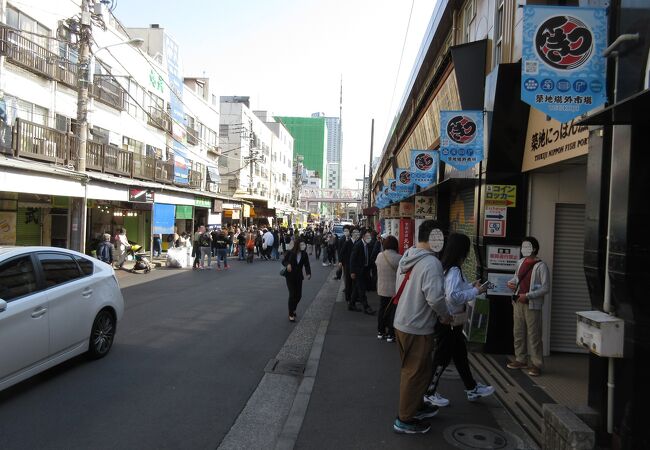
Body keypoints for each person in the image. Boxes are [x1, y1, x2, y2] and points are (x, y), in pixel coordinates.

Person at [392, 220, 451, 435]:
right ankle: (405, 419)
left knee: (419, 370)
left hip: (402, 321)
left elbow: (398, 286)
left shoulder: (409, 255)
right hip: (417, 326)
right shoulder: (431, 263)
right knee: (414, 373)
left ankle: (416, 406)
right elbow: (435, 298)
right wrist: (445, 315)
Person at [425, 233, 495, 408]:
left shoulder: (446, 267)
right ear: (461, 251)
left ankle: (471, 387)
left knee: (460, 356)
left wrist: (472, 286)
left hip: (451, 323)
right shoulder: (454, 270)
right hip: (448, 321)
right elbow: (453, 296)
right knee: (442, 358)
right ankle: (428, 392)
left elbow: (455, 289)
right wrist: (475, 292)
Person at [506, 236, 550, 377]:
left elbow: (545, 288)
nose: (524, 249)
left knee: (534, 335)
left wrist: (528, 295)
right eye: (523, 246)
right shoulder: (520, 262)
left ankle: (537, 364)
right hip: (518, 302)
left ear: (534, 249)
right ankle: (521, 359)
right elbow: (516, 278)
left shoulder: (541, 266)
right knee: (518, 332)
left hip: (532, 304)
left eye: (527, 246)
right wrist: (510, 283)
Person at [375, 235, 401, 342]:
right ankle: (391, 334)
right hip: (394, 290)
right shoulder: (399, 258)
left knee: (382, 310)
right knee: (392, 312)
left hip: (382, 288)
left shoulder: (380, 256)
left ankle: (381, 332)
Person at [282, 237, 311, 322]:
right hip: (290, 276)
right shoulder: (291, 253)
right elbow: (284, 261)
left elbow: (307, 264)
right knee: (292, 295)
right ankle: (291, 314)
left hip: (299, 277)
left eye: (304, 244)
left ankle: (293, 308)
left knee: (299, 295)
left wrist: (308, 273)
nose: (303, 246)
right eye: (301, 244)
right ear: (297, 245)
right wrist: (288, 265)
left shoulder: (304, 254)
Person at [349, 229, 377, 315]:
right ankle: (366, 307)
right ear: (363, 236)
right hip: (358, 271)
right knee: (361, 289)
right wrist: (352, 272)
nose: (369, 238)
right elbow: (352, 259)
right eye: (367, 236)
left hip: (365, 270)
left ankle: (351, 304)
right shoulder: (358, 245)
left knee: (357, 288)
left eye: (370, 237)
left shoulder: (368, 245)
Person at [338, 226, 354, 304]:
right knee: (347, 278)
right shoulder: (342, 240)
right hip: (346, 262)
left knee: (352, 280)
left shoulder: (355, 240)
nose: (346, 232)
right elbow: (340, 251)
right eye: (345, 231)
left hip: (353, 263)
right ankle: (348, 298)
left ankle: (353, 297)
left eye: (347, 230)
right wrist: (340, 261)